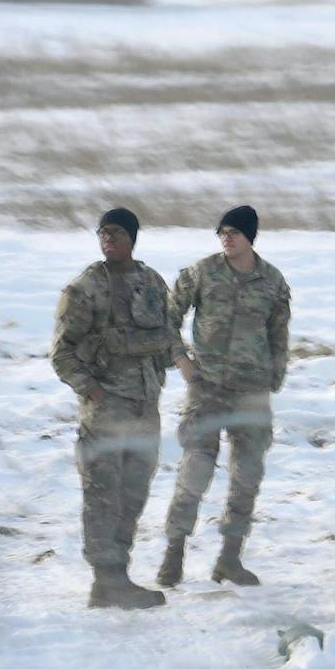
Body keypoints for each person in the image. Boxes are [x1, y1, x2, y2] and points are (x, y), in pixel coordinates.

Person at [156, 205, 290, 587]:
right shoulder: (202, 272)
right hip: (208, 388)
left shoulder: (272, 282)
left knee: (248, 474)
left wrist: (272, 379)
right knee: (196, 469)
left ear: (250, 237)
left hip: (251, 393)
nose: (226, 237)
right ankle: (174, 553)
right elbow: (168, 316)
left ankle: (230, 559)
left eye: (233, 232)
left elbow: (279, 335)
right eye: (222, 232)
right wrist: (181, 358)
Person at [50, 208, 175, 609]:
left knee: (134, 492)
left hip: (144, 410)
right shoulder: (84, 288)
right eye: (103, 233)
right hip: (104, 414)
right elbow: (62, 354)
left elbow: (168, 337)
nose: (108, 239)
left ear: (133, 237)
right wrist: (92, 390)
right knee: (103, 494)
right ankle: (106, 580)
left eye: (116, 233)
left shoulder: (151, 282)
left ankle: (118, 574)